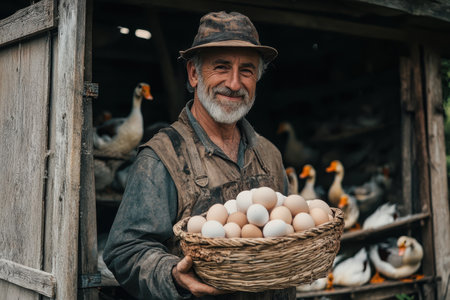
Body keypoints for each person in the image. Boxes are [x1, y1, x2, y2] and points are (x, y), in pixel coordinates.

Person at [103, 11, 295, 300]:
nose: (234, 83)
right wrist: (172, 274)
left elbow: (290, 230)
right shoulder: (162, 157)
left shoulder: (269, 154)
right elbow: (125, 251)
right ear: (194, 74)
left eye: (246, 70)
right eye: (221, 67)